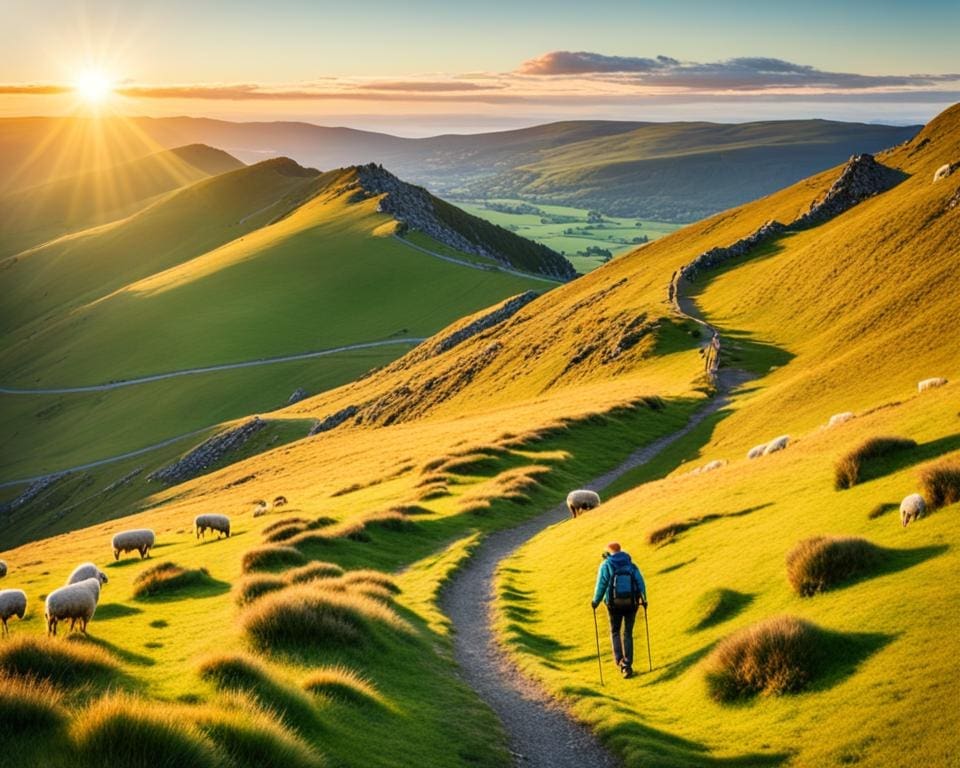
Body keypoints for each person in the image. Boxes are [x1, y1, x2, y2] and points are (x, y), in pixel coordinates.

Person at [591, 542, 647, 678]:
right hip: (631, 603)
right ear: (620, 551)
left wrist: (595, 601)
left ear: (609, 552)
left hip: (613, 605)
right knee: (628, 632)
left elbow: (601, 585)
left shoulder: (606, 565)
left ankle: (620, 662)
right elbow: (640, 582)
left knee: (615, 631)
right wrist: (644, 600)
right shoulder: (631, 564)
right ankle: (628, 664)